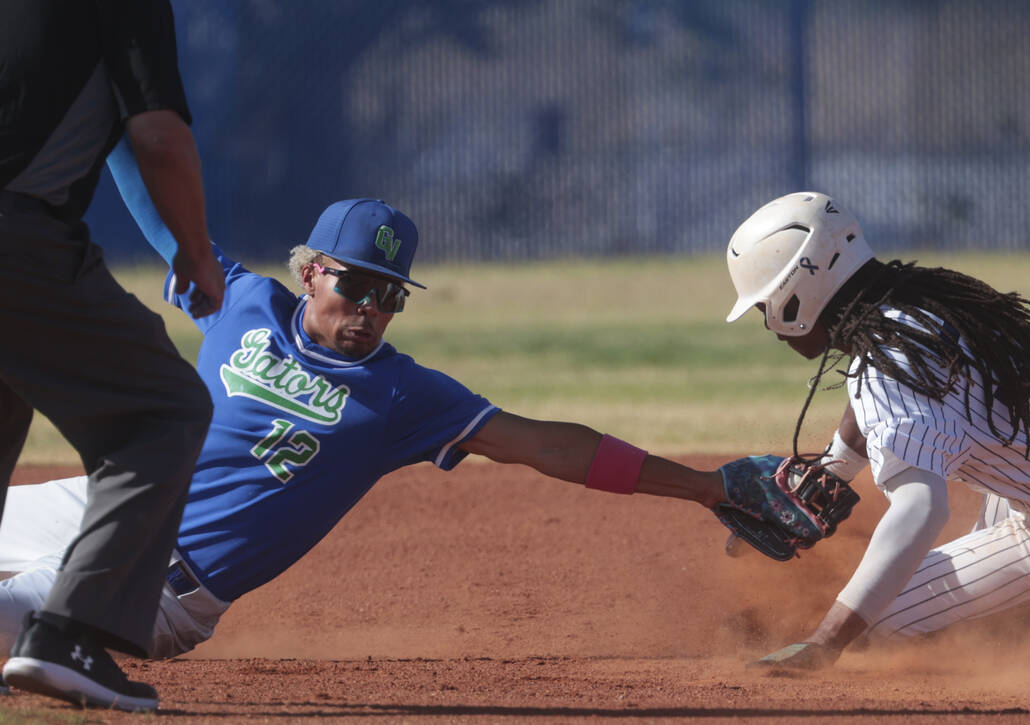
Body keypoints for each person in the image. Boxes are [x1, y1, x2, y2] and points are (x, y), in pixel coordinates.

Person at [0, 194, 735, 672]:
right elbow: (163, 213)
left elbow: (548, 445)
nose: (371, 310)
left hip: (157, 586)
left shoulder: (403, 395)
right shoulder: (244, 301)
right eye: (355, 284)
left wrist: (704, 486)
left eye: (390, 295)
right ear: (311, 272)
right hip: (99, 504)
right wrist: (121, 94)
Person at [723, 191, 1030, 669]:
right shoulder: (914, 299)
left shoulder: (885, 370)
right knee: (994, 486)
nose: (769, 325)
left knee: (877, 629)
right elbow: (878, 398)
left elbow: (922, 510)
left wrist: (827, 640)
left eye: (763, 307)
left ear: (794, 295)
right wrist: (832, 473)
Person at [0, 0, 226, 711]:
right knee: (163, 411)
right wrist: (196, 253)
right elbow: (158, 137)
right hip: (16, 236)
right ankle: (67, 633)